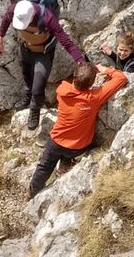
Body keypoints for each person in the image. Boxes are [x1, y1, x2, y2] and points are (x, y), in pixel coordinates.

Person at [28, 61, 128, 198]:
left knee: (44, 167)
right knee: (86, 141)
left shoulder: (62, 92)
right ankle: (66, 162)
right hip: (77, 148)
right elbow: (121, 78)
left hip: (55, 142)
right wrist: (105, 69)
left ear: (74, 77)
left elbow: (72, 89)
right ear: (92, 83)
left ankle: (32, 192)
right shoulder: (94, 98)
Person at [0, 0, 85, 130]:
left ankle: (35, 109)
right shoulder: (15, 9)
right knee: (26, 72)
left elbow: (66, 42)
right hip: (25, 47)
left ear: (32, 15)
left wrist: (80, 62)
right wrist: (0, 40)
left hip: (43, 53)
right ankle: (27, 95)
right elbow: (6, 20)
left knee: (38, 85)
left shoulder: (47, 18)